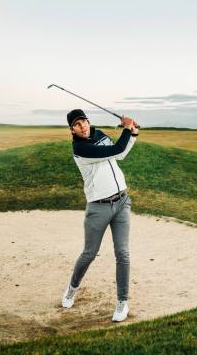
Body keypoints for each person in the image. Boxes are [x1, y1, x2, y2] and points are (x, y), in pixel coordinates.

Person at [61, 109, 139, 322]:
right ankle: (72, 288)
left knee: (123, 253)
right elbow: (115, 150)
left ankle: (122, 302)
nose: (82, 126)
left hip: (122, 202)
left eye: (83, 121)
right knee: (89, 253)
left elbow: (120, 154)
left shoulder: (100, 135)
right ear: (72, 130)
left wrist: (133, 134)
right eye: (77, 124)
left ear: (88, 121)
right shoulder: (80, 149)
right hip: (98, 207)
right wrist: (126, 129)